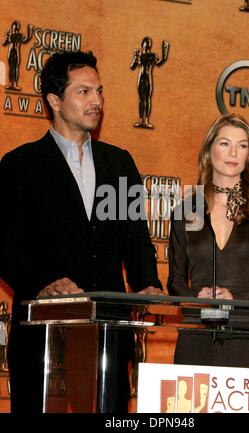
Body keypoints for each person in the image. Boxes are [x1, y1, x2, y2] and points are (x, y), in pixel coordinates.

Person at [0, 50, 162, 413]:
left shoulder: (118, 162)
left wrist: (147, 284)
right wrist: (44, 281)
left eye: (99, 91)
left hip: (107, 335)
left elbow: (136, 238)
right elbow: (5, 245)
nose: (97, 102)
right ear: (55, 101)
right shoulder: (19, 165)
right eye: (84, 92)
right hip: (42, 333)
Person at [167, 113, 249, 369]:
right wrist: (198, 296)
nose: (233, 153)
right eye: (224, 143)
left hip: (246, 334)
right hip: (195, 334)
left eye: (242, 145)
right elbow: (175, 280)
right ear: (210, 150)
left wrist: (236, 297)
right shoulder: (185, 211)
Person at [130, 36, 169, 128]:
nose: (148, 44)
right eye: (146, 42)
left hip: (148, 78)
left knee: (147, 99)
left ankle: (146, 120)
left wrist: (165, 55)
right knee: (141, 99)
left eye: (149, 42)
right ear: (142, 43)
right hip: (141, 78)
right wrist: (134, 58)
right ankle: (140, 119)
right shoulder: (139, 54)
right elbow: (132, 67)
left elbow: (159, 63)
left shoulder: (152, 56)